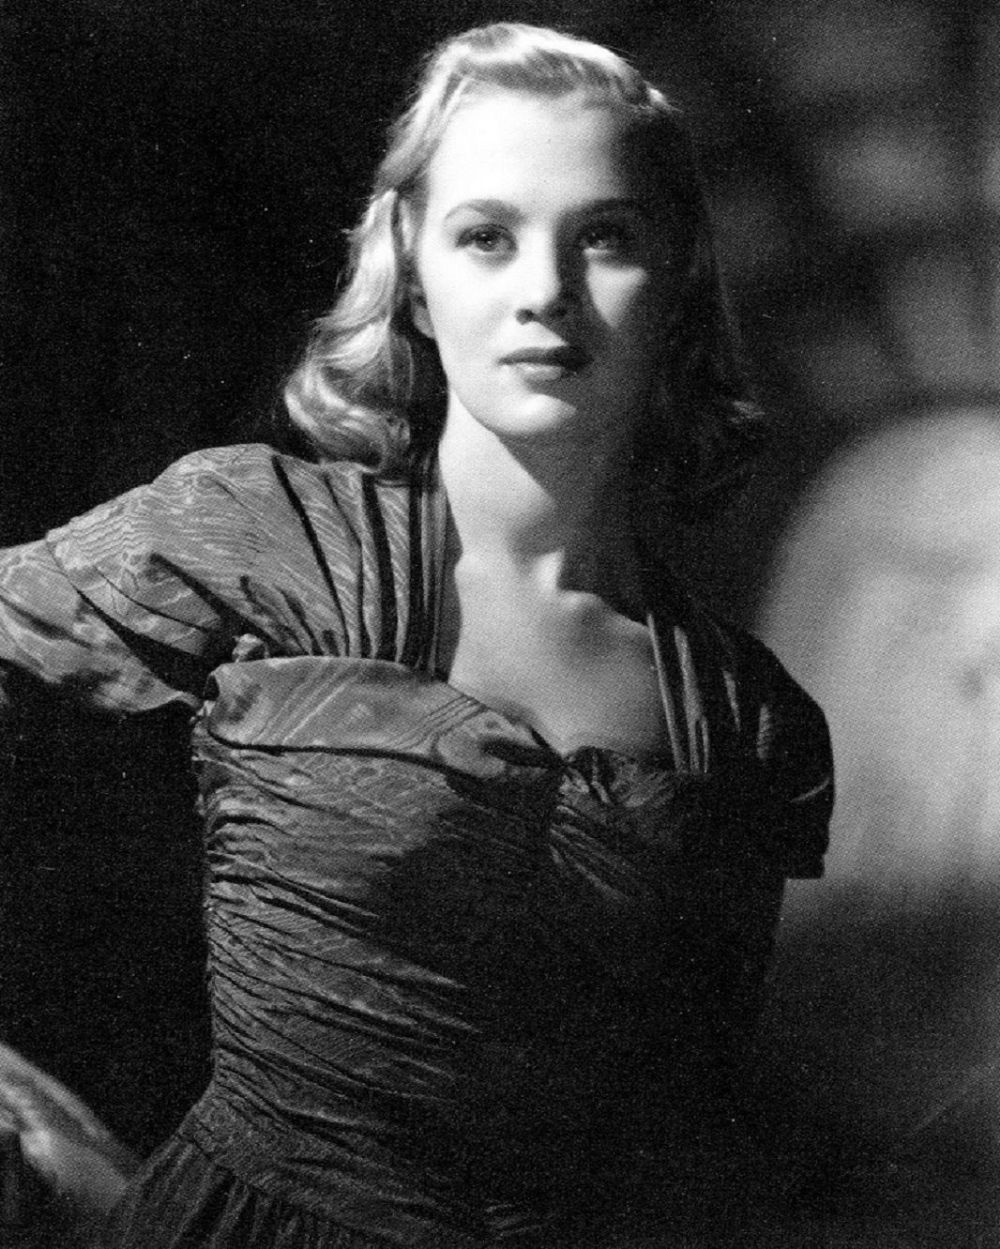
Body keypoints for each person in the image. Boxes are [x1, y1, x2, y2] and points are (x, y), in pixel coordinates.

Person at [0, 21, 834, 1249]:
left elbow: (686, 1148)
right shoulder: (267, 533)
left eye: (605, 236)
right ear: (414, 272)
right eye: (487, 236)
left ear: (678, 281)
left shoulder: (745, 718)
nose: (544, 292)